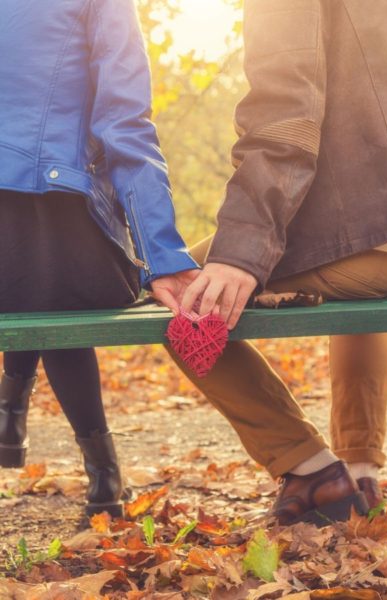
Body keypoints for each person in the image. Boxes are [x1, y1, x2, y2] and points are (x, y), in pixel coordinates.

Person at [166, 0, 387, 526]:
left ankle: (308, 466)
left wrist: (240, 254)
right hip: (383, 231)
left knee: (177, 293)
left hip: (377, 224)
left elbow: (284, 113)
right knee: (366, 290)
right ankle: (360, 468)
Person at [0, 0, 197, 517]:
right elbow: (126, 128)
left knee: (32, 272)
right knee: (56, 277)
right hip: (60, 239)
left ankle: (11, 406)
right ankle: (104, 475)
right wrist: (163, 256)